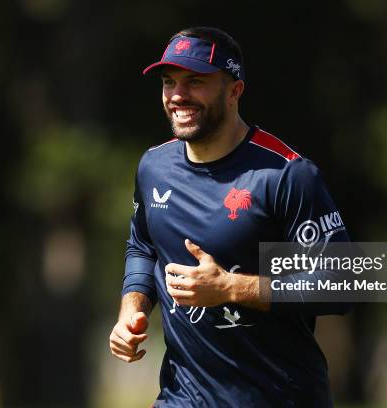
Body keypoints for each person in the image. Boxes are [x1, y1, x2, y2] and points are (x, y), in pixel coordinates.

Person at [109, 26, 351, 407]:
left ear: (235, 90)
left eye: (196, 81)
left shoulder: (287, 175)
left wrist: (229, 287)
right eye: (169, 81)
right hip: (181, 397)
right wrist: (131, 310)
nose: (177, 95)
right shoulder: (153, 166)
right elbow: (143, 246)